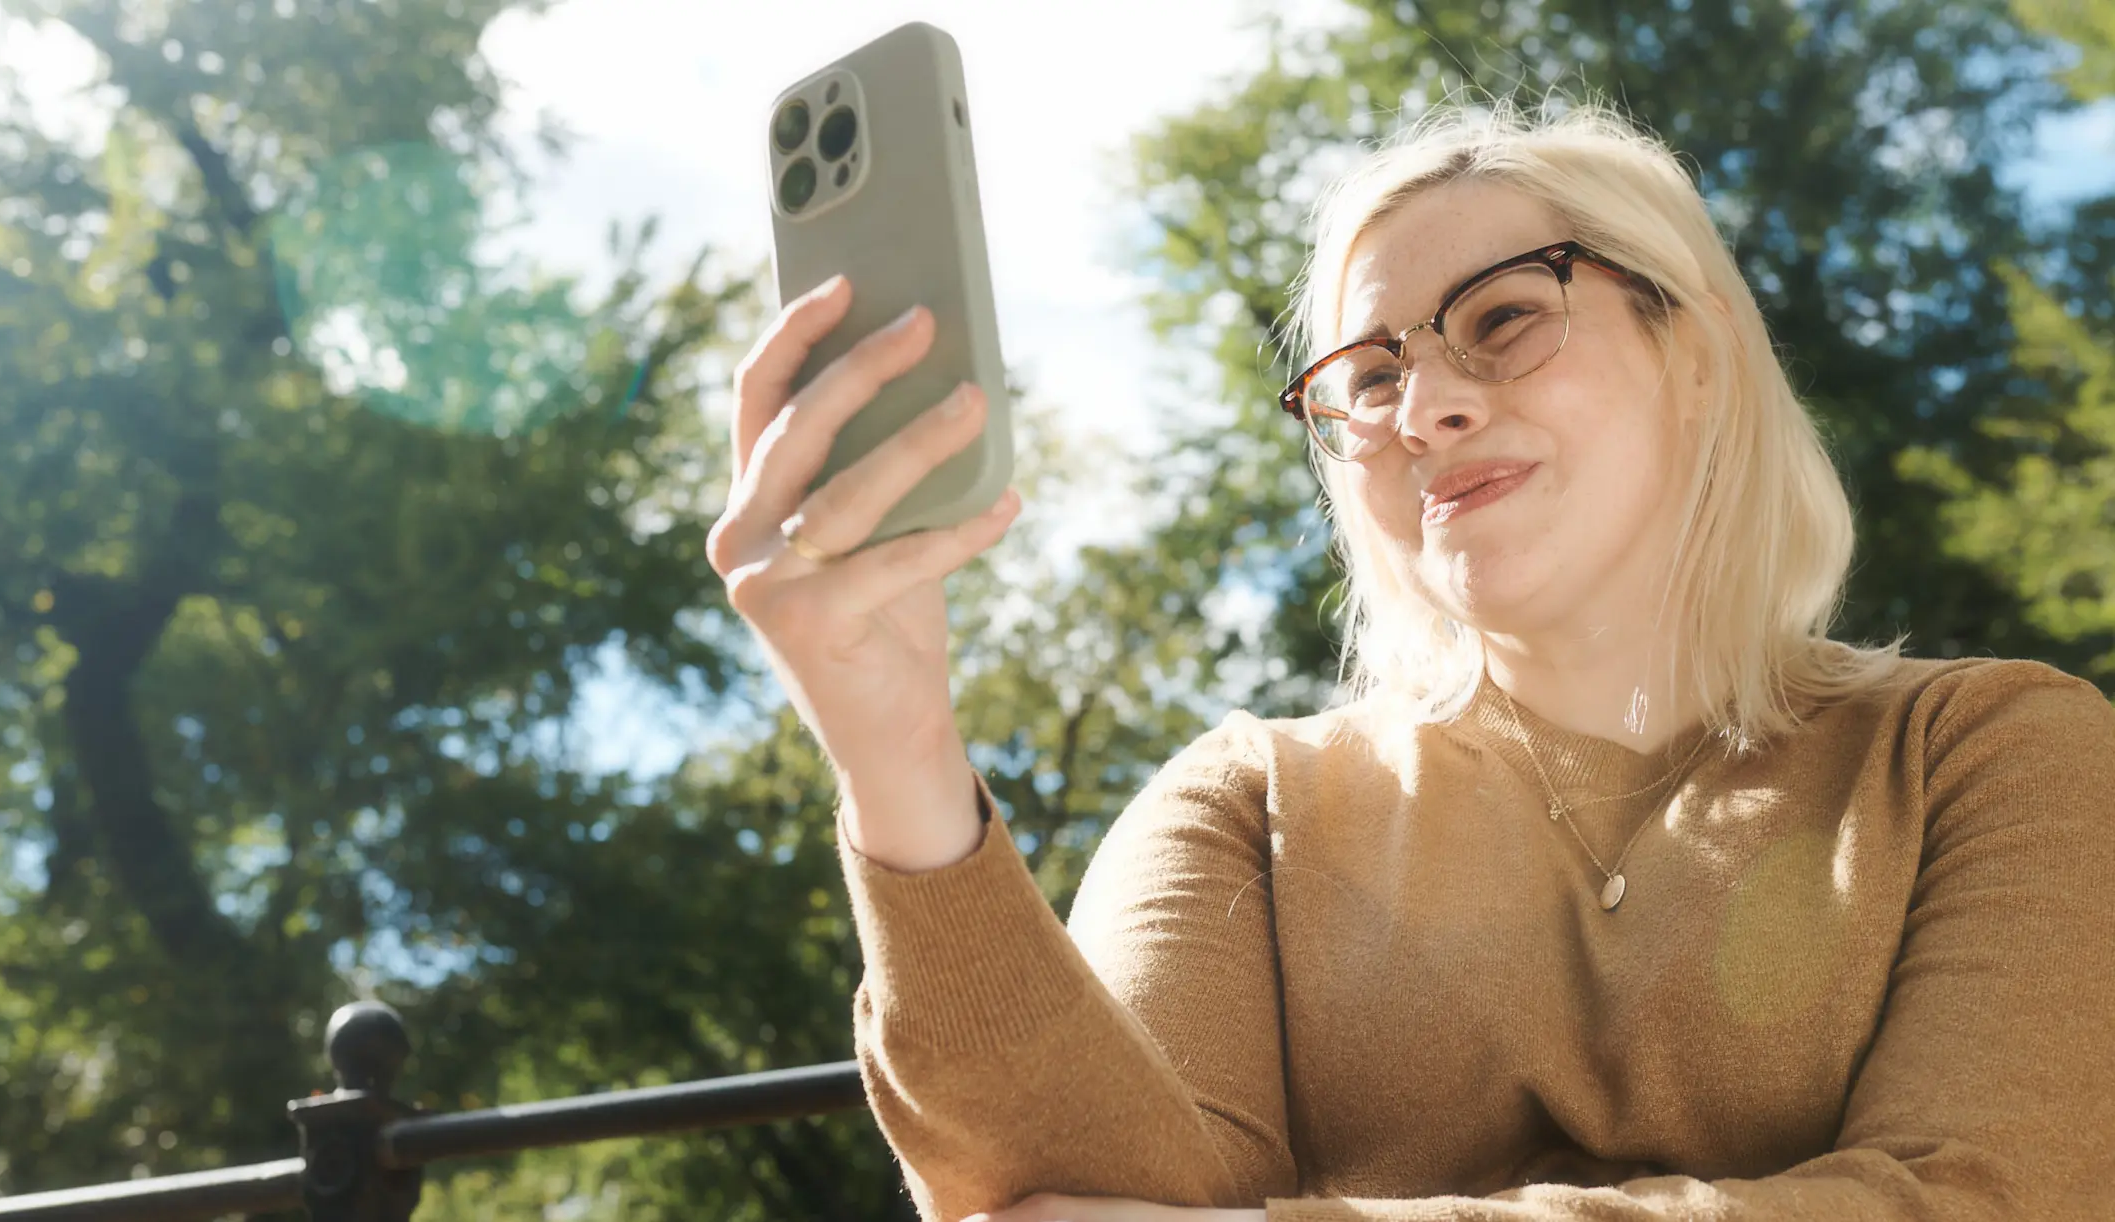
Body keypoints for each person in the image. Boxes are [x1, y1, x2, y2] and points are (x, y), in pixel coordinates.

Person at [705, 100, 2115, 1222]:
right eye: (1367, 379)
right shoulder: (1247, 807)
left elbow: (1994, 1198)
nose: (1426, 405)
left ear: (1698, 350)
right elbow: (1067, 1201)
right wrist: (897, 759)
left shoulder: (1988, 752)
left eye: (1505, 316)